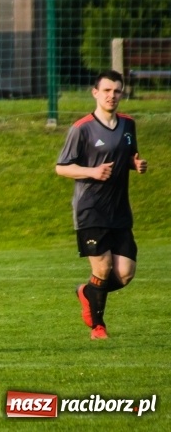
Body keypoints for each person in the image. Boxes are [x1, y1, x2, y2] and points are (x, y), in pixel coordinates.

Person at [55, 70, 147, 340]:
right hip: (90, 208)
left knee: (125, 273)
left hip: (119, 210)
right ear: (95, 93)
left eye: (117, 91)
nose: (112, 96)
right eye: (107, 90)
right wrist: (92, 172)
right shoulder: (82, 128)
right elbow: (62, 167)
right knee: (103, 268)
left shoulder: (128, 124)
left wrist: (135, 164)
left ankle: (87, 292)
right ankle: (98, 327)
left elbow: (127, 155)